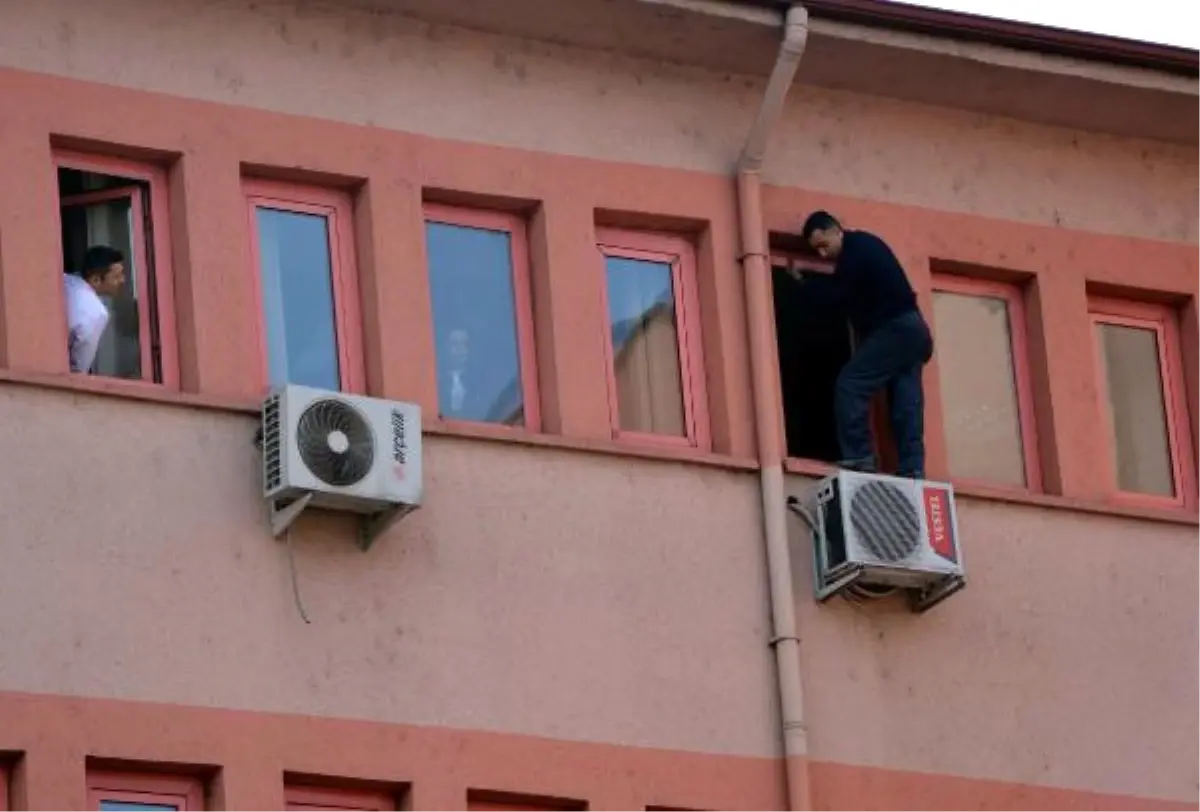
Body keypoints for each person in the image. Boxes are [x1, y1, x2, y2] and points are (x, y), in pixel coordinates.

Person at [798, 211, 934, 478]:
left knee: (851, 384)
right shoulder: (866, 247)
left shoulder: (855, 251)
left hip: (895, 329)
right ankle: (912, 469)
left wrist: (804, 283)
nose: (823, 256)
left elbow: (838, 295)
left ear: (836, 231)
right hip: (914, 332)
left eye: (823, 246)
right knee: (907, 404)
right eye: (817, 252)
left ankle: (859, 456)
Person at [63, 245, 125, 374]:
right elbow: (80, 366)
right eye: (117, 276)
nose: (122, 280)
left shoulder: (64, 280)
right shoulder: (96, 312)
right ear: (96, 280)